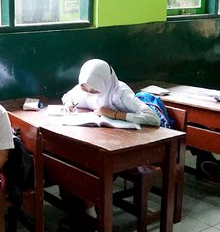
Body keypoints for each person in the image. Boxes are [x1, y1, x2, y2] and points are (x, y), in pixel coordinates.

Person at [59, 58, 160, 231]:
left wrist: (113, 114)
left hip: (123, 149)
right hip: (99, 142)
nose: (89, 91)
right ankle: (85, 214)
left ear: (105, 81)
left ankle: (91, 216)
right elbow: (68, 96)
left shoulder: (120, 92)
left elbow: (152, 118)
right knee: (68, 165)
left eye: (94, 88)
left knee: (88, 171)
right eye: (85, 87)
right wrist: (68, 103)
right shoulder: (84, 86)